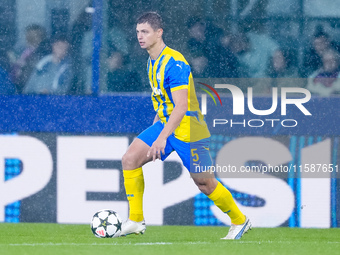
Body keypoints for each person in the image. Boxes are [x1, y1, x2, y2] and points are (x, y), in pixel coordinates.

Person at [119, 12, 251, 240]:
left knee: (204, 183)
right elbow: (164, 101)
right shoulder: (152, 61)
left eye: (145, 32)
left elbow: (181, 107)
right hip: (165, 124)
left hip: (190, 129)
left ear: (159, 33)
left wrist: (161, 138)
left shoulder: (175, 63)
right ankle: (136, 220)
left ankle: (240, 220)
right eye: (138, 32)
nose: (140, 36)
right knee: (129, 159)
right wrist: (157, 127)